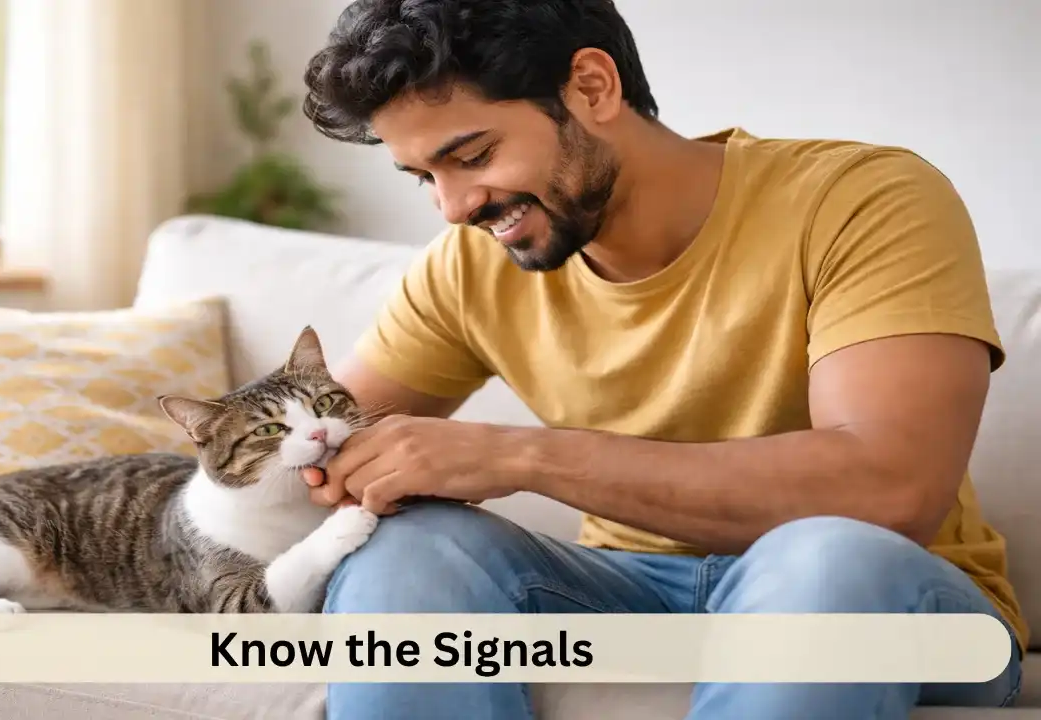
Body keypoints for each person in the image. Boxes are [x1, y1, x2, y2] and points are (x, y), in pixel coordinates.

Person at [297, 0, 1027, 717]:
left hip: (891, 601)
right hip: (628, 596)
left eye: (474, 156)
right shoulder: (466, 265)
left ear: (592, 86)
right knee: (412, 551)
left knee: (823, 558)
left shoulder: (860, 201)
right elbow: (313, 456)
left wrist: (522, 458)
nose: (454, 207)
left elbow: (889, 490)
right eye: (425, 177)